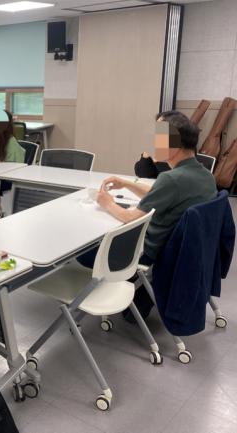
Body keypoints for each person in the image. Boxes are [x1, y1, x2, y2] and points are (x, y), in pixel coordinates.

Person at [90, 111, 217, 319]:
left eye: (161, 137)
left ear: (175, 144)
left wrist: (108, 203)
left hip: (148, 250)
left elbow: (131, 218)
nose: (156, 143)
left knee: (87, 251)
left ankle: (92, 297)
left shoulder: (171, 179)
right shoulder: (205, 176)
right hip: (181, 250)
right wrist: (126, 184)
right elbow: (164, 194)